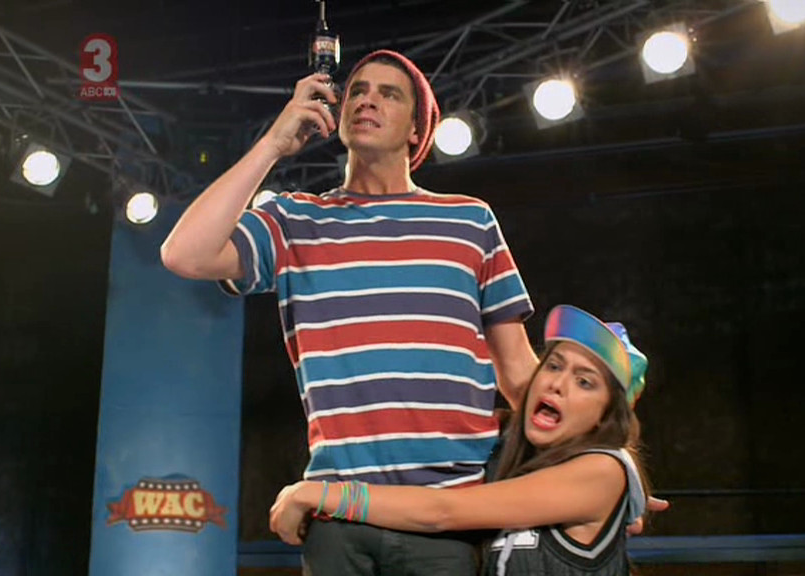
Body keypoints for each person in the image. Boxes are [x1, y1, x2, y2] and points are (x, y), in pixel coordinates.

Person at [161, 49, 539, 575]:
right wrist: (273, 144)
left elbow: (519, 375)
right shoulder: (295, 218)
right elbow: (184, 254)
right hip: (339, 513)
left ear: (417, 129)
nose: (367, 100)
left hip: (450, 512)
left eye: (389, 94)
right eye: (357, 90)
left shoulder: (469, 221)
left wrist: (601, 460)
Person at [271, 304, 655, 576]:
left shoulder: (603, 470)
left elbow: (443, 511)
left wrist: (319, 494)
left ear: (605, 415)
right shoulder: (506, 449)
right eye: (553, 365)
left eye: (584, 382)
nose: (557, 383)